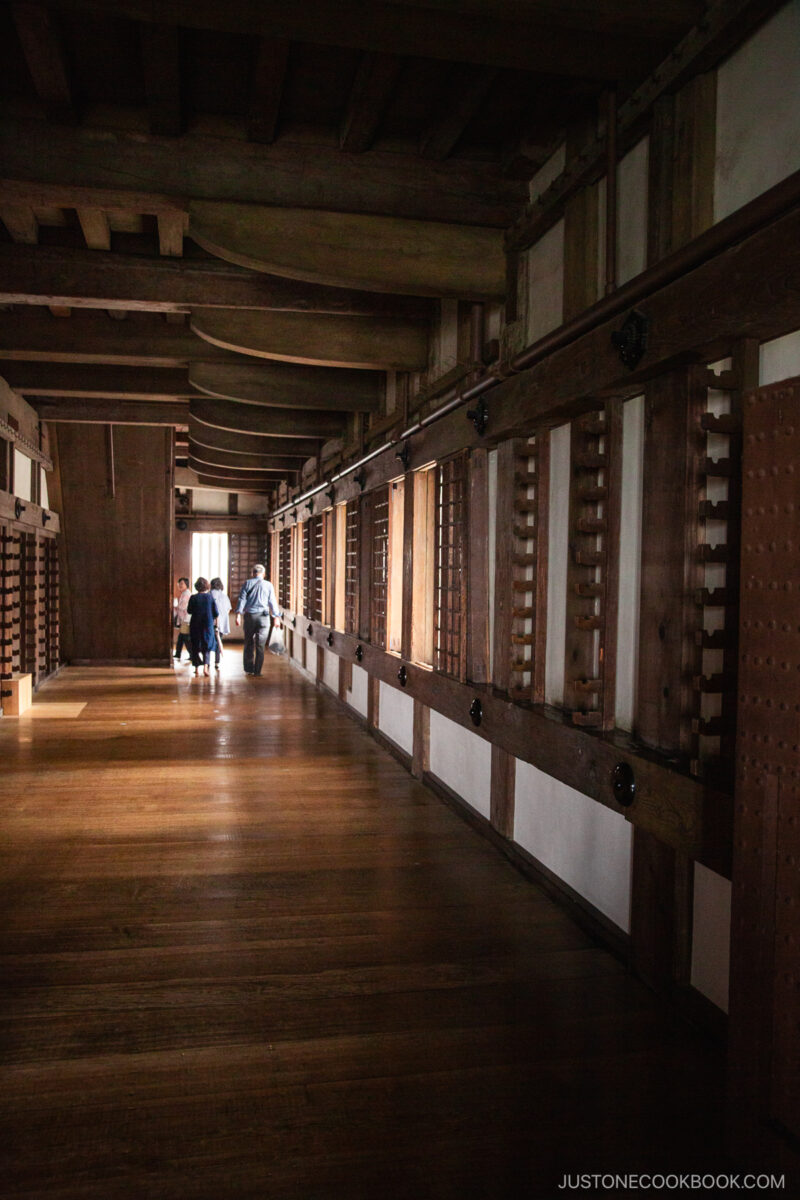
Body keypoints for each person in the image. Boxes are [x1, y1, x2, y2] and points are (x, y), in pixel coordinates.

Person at [235, 563, 282, 677]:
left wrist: (238, 615)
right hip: (264, 618)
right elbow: (272, 602)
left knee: (248, 643)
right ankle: (257, 671)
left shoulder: (247, 583)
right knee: (260, 645)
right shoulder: (268, 585)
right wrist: (276, 617)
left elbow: (242, 599)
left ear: (253, 573)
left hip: (250, 617)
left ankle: (248, 669)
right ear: (264, 574)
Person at [187, 577, 218, 677]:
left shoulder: (193, 597)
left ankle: (196, 668)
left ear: (196, 587)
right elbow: (216, 612)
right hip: (208, 624)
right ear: (207, 586)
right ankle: (205, 667)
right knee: (207, 645)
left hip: (195, 624)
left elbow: (189, 611)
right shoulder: (210, 597)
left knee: (195, 645)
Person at [209, 577, 232, 670]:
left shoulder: (209, 595)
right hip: (222, 622)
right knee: (219, 641)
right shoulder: (224, 596)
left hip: (210, 621)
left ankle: (207, 662)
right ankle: (217, 662)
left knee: (208, 641)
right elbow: (228, 609)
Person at [173, 577, 192, 662]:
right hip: (184, 619)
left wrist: (175, 607)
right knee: (181, 637)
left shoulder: (187, 594)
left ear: (186, 585)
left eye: (182, 584)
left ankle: (192, 654)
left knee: (185, 637)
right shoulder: (184, 593)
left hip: (186, 619)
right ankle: (178, 653)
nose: (180, 586)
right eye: (179, 584)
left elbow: (183, 606)